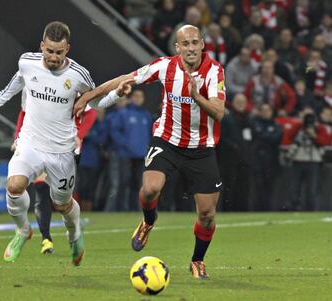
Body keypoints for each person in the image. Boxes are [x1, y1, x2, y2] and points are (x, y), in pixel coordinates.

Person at [74, 25, 226, 280]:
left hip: (201, 148)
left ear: (202, 45)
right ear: (177, 47)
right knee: (150, 189)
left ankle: (197, 260)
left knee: (207, 215)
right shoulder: (164, 66)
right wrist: (88, 96)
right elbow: (124, 79)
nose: (190, 48)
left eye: (194, 43)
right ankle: (148, 221)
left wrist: (196, 96)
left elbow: (219, 112)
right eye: (185, 44)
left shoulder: (214, 71)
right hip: (167, 140)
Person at [0, 21, 130, 264]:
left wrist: (116, 94)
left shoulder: (78, 75)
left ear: (67, 50)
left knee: (62, 204)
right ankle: (22, 230)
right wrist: (0, 100)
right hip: (30, 143)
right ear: (42, 46)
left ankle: (74, 235)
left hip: (61, 151)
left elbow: (94, 102)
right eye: (49, 51)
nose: (53, 57)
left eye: (59, 52)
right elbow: (19, 79)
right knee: (14, 186)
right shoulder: (27, 62)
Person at [12, 88, 97, 254]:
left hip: (65, 149)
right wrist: (17, 137)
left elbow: (90, 112)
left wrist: (79, 136)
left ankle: (74, 234)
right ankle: (46, 239)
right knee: (41, 189)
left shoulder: (73, 81)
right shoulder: (31, 82)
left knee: (62, 203)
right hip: (37, 145)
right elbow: (24, 112)